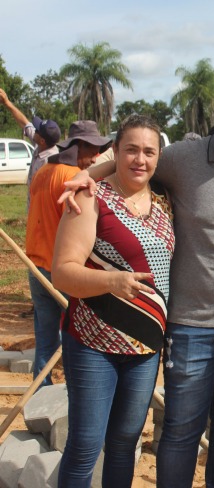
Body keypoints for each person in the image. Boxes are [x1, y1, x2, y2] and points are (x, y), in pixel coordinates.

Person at [60, 74, 214, 488]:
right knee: (180, 430)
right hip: (190, 325)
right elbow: (134, 157)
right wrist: (89, 175)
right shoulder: (181, 158)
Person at [51, 115, 174, 487]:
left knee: (124, 443)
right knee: (86, 445)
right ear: (115, 151)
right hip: (93, 344)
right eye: (131, 150)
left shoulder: (164, 201)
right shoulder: (90, 198)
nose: (140, 160)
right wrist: (111, 281)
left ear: (159, 158)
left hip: (145, 348)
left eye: (149, 152)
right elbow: (62, 273)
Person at [27, 120, 111, 386]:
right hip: (61, 270)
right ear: (78, 147)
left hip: (36, 267)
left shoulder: (43, 171)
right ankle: (78, 397)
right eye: (92, 149)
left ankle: (40, 396)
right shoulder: (72, 179)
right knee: (81, 338)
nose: (96, 156)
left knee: (46, 341)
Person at [0, 87, 61, 207]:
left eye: (37, 130)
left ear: (42, 140)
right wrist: (7, 103)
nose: (34, 131)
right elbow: (25, 123)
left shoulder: (51, 162)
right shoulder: (41, 144)